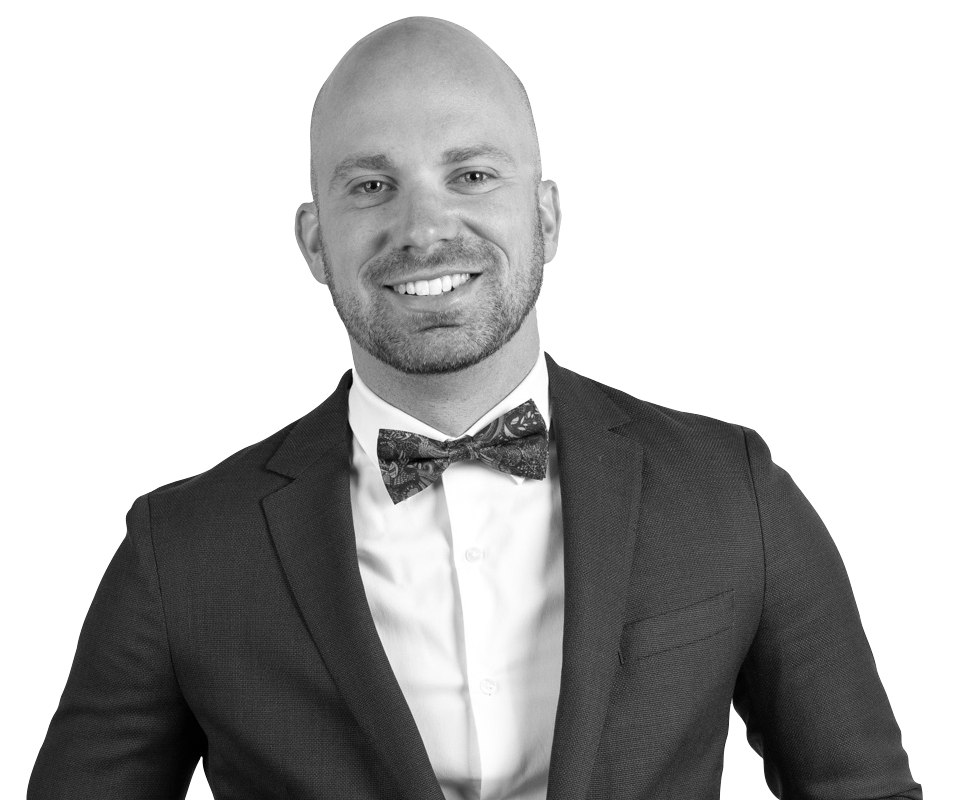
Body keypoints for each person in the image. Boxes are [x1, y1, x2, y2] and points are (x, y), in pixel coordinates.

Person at [29, 17, 921, 800]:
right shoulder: (178, 551)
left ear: (548, 217)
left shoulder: (735, 488)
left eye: (472, 174)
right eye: (370, 185)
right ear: (313, 241)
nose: (424, 228)